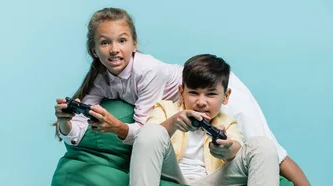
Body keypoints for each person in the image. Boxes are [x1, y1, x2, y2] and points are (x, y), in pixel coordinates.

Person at [51, 7, 310, 186]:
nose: (114, 50)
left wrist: (228, 147)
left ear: (134, 44)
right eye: (105, 43)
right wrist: (67, 121)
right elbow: (144, 132)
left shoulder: (149, 72)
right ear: (94, 49)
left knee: (270, 150)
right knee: (153, 133)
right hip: (176, 131)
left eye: (121, 41)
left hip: (215, 83)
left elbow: (235, 142)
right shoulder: (152, 101)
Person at [129, 54, 279, 185]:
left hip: (214, 179)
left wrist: (227, 149)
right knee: (151, 130)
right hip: (172, 173)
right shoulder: (166, 109)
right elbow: (146, 140)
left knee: (263, 145)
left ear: (226, 97)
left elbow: (236, 147)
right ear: (181, 93)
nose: (201, 102)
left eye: (211, 94)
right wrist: (173, 123)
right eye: (194, 93)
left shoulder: (226, 121)